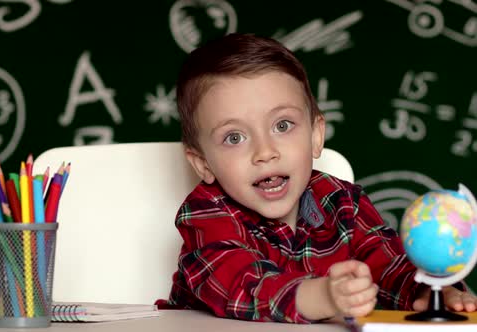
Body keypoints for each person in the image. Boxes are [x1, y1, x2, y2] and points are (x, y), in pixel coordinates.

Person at [160, 32, 477, 323]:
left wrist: (429, 292)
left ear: (315, 135)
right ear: (203, 163)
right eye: (234, 138)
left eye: (282, 126)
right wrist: (321, 296)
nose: (265, 151)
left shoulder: (342, 202)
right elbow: (243, 286)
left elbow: (389, 265)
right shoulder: (205, 215)